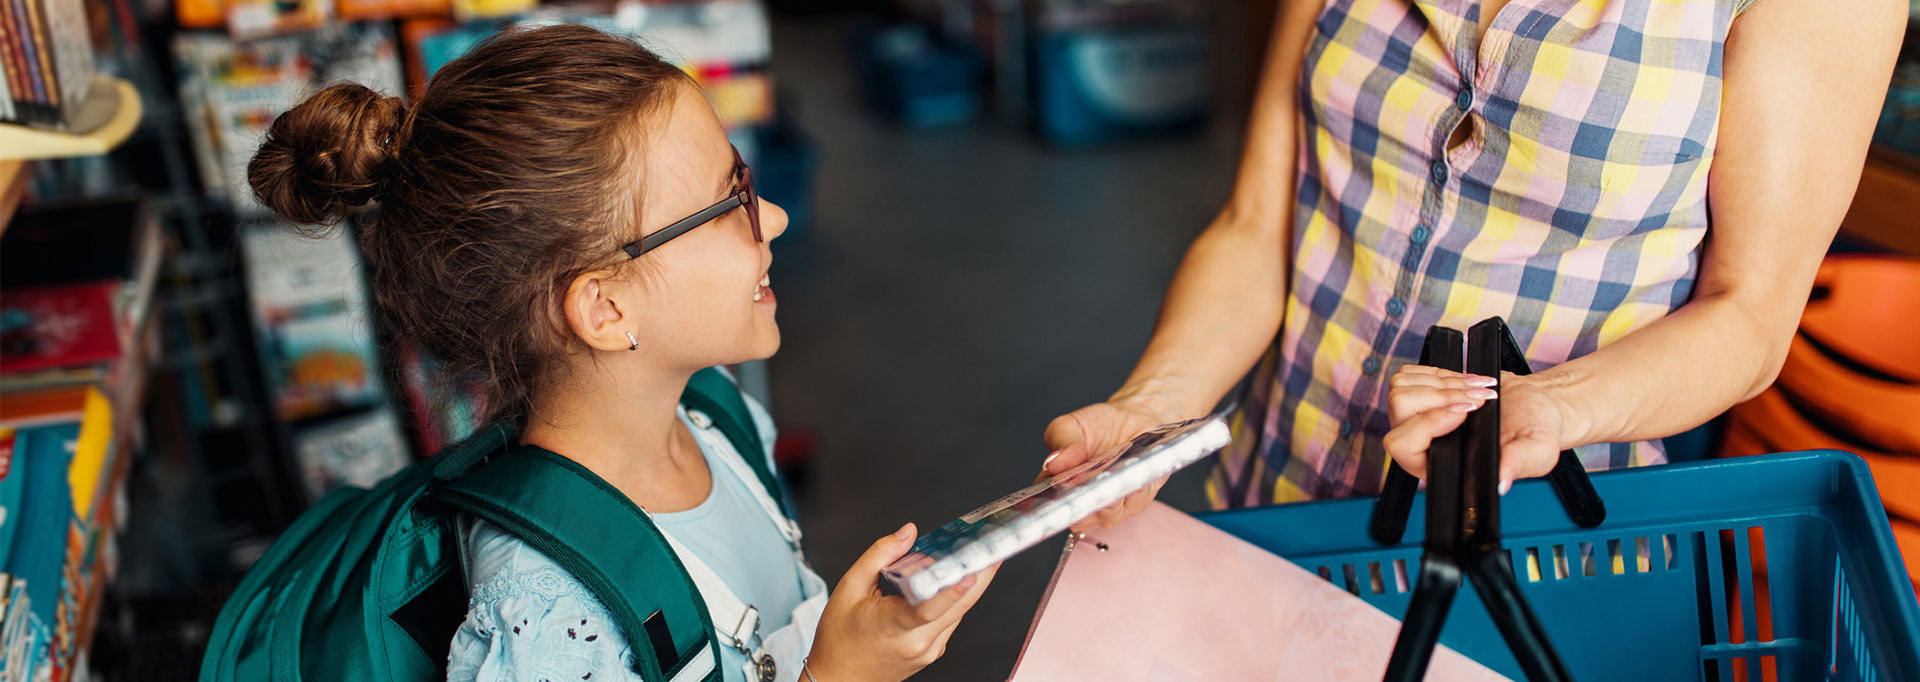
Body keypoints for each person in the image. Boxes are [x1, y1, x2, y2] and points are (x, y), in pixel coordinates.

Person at [248, 24, 991, 682]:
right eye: (730, 201)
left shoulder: (718, 416)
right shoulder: (545, 615)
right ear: (606, 308)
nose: (775, 217)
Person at [1041, 0, 1906, 521]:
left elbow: (1750, 315)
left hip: (1529, 533)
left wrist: (1547, 410)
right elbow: (1258, 222)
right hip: (1278, 491)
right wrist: (1155, 412)